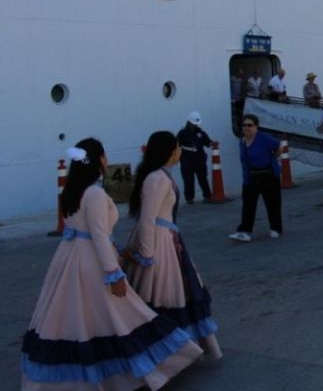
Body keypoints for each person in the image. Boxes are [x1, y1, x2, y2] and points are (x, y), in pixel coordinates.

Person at [21, 139, 203, 390]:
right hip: (91, 262)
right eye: (104, 155)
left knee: (73, 317)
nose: (107, 159)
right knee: (123, 316)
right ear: (99, 160)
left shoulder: (72, 190)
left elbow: (87, 232)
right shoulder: (94, 193)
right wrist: (113, 274)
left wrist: (117, 252)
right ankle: (148, 367)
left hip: (68, 258)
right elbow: (97, 235)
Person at [125, 131, 223, 359]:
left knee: (178, 289)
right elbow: (148, 218)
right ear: (170, 151)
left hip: (167, 238)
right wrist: (147, 254)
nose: (180, 150)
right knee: (167, 293)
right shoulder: (157, 178)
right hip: (160, 242)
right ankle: (172, 351)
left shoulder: (158, 175)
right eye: (178, 147)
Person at [230, 114, 283, 241]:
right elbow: (244, 161)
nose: (246, 127)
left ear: (256, 127)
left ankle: (276, 228)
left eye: (249, 125)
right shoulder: (242, 141)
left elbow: (279, 147)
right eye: (244, 125)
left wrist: (273, 158)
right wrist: (246, 178)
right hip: (251, 177)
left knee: (273, 203)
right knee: (248, 204)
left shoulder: (263, 138)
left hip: (268, 175)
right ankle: (245, 231)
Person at [176, 111, 219, 204]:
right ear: (189, 122)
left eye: (196, 124)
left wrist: (213, 143)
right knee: (188, 179)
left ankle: (207, 196)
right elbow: (176, 145)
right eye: (193, 124)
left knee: (203, 177)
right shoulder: (182, 133)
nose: (195, 126)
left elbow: (207, 142)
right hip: (187, 158)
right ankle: (189, 198)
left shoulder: (201, 132)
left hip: (199, 158)